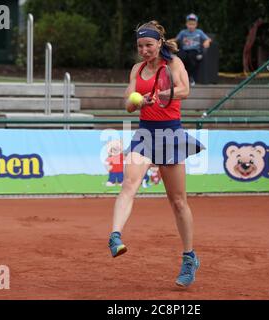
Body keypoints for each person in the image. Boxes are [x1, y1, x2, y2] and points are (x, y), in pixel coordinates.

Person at [108, 20, 205, 288]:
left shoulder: (172, 63)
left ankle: (189, 257)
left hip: (170, 134)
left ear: (159, 43)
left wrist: (163, 93)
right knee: (128, 184)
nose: (144, 50)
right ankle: (115, 236)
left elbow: (185, 89)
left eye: (149, 45)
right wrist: (139, 99)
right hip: (145, 133)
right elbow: (128, 103)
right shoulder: (137, 69)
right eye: (140, 46)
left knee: (177, 202)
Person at [175, 14, 211, 86]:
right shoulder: (183, 32)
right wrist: (170, 41)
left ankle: (190, 77)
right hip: (185, 50)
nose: (191, 26)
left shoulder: (199, 32)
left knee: (192, 58)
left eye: (193, 24)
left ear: (196, 24)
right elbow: (176, 39)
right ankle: (180, 78)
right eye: (189, 24)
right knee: (180, 57)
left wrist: (207, 41)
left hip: (194, 50)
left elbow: (208, 39)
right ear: (186, 24)